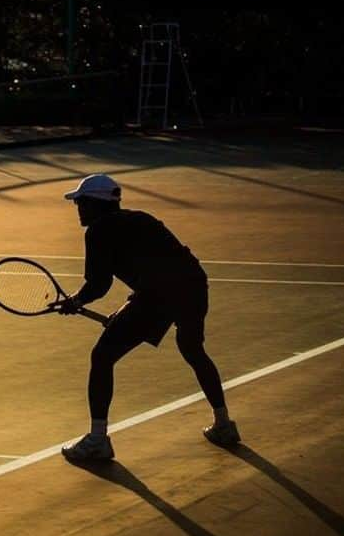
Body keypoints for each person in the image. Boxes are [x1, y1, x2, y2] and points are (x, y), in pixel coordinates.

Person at [57, 173, 239, 462]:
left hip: (158, 295)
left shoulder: (97, 231)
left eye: (81, 202)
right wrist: (132, 306)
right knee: (193, 349)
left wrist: (76, 301)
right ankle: (224, 424)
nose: (78, 208)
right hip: (193, 284)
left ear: (97, 204)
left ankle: (97, 440)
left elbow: (98, 285)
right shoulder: (142, 218)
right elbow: (165, 264)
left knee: (102, 356)